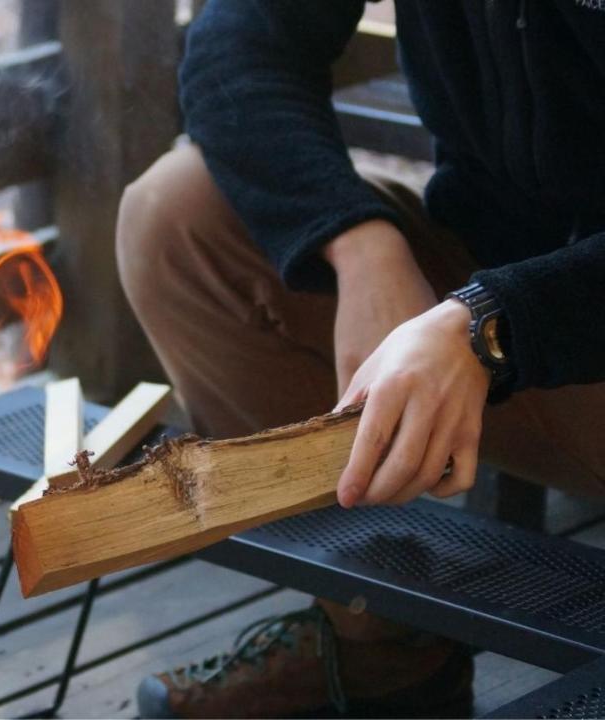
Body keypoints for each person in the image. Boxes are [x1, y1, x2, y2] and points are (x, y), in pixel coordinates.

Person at [116, 0, 605, 717]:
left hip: (532, 323)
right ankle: (385, 653)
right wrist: (357, 241)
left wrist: (492, 323)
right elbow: (235, 42)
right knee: (177, 217)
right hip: (493, 319)